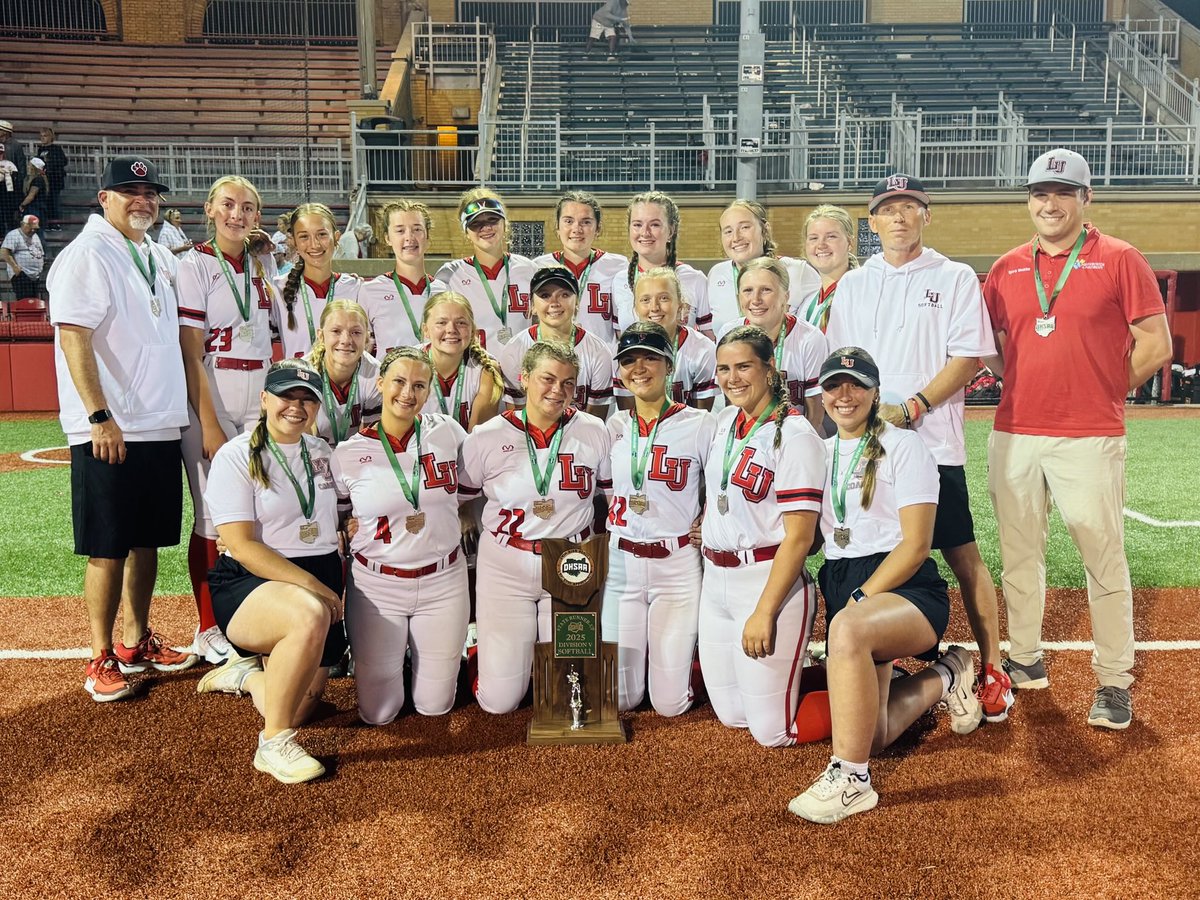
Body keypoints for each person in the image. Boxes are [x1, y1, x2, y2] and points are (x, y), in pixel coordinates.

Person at [982, 148, 1173, 730]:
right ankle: (1026, 659)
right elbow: (989, 345)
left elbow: (1157, 344)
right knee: (1018, 556)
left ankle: (1114, 681)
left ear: (1085, 200)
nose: (1050, 203)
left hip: (1089, 436)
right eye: (1040, 193)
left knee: (1102, 559)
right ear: (1029, 201)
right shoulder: (1006, 267)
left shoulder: (1120, 259)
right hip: (1014, 432)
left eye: (1063, 193)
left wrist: (1106, 390)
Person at [826, 173, 1010, 728]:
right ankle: (894, 659)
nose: (899, 217)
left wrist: (913, 407)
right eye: (888, 209)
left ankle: (993, 667)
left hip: (931, 444)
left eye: (910, 207)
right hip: (866, 445)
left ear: (925, 216)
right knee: (871, 545)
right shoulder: (856, 284)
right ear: (873, 220)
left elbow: (968, 357)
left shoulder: (952, 276)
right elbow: (843, 361)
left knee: (961, 553)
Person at [788, 347, 979, 824]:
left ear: (875, 392)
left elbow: (916, 544)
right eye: (834, 385)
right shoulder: (819, 452)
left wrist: (862, 598)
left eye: (855, 385)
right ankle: (950, 671)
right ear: (822, 394)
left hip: (904, 586)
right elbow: (810, 540)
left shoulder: (904, 444)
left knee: (849, 632)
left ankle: (852, 780)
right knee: (871, 735)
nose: (844, 395)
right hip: (845, 582)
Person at [46, 154, 197, 701]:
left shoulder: (153, 252)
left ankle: (135, 641)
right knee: (108, 546)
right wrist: (98, 416)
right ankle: (99, 655)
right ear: (103, 198)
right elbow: (73, 337)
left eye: (151, 194)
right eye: (130, 193)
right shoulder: (87, 254)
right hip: (111, 426)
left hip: (157, 423)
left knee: (147, 540)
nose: (143, 201)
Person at [196, 359, 346, 783]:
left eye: (307, 399)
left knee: (302, 704)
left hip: (316, 575)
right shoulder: (236, 455)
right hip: (253, 580)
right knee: (308, 613)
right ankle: (274, 742)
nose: (296, 407)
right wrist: (316, 587)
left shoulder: (321, 452)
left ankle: (246, 675)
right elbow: (240, 545)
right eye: (286, 396)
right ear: (264, 400)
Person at [459, 340, 612, 714]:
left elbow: (614, 497)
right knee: (500, 702)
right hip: (507, 559)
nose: (557, 391)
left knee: (573, 703)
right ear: (524, 378)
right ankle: (484, 652)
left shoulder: (594, 430)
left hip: (571, 559)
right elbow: (456, 497)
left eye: (568, 383)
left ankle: (535, 657)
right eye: (548, 379)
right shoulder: (487, 435)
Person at [697, 325, 825, 747]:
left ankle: (884, 685)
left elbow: (800, 538)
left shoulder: (796, 434)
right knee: (733, 715)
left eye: (744, 367)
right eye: (723, 369)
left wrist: (764, 611)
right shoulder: (726, 420)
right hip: (715, 581)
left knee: (772, 732)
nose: (732, 378)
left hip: (767, 579)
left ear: (770, 370)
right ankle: (831, 673)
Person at [332, 347, 470, 723]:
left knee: (435, 705)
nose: (408, 393)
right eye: (399, 381)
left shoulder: (448, 432)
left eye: (419, 385)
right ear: (380, 384)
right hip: (378, 586)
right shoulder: (347, 453)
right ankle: (397, 657)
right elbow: (339, 513)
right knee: (378, 713)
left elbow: (473, 488)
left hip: (443, 579)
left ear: (428, 392)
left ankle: (426, 657)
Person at [177, 175, 279, 666]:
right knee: (212, 518)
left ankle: (249, 614)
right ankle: (208, 626)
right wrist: (210, 422)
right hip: (214, 392)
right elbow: (190, 350)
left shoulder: (262, 264)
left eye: (248, 207)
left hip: (258, 395)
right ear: (210, 210)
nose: (238, 214)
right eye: (229, 205)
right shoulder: (194, 264)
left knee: (255, 515)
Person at [603, 322, 714, 715]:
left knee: (669, 704)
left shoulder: (700, 424)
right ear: (619, 371)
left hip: (676, 564)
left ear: (670, 364)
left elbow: (721, 486)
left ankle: (706, 670)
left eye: (650, 357)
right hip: (622, 565)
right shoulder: (612, 425)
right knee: (620, 699)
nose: (640, 367)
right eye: (630, 360)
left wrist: (709, 518)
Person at [719, 257, 827, 431]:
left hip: (796, 436)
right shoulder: (729, 334)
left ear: (786, 296)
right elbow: (731, 401)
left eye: (766, 290)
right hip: (746, 438)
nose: (755, 299)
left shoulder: (810, 338)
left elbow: (815, 411)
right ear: (738, 297)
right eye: (748, 290)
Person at [497, 266, 614, 418]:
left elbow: (596, 420)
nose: (554, 303)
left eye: (564, 295)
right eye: (545, 295)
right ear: (532, 305)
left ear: (577, 302)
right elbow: (517, 417)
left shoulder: (598, 351)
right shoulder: (514, 349)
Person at [435, 188, 536, 351]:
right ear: (466, 231)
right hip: (474, 369)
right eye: (476, 223)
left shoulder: (529, 269)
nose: (486, 227)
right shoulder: (450, 275)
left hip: (523, 370)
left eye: (493, 219)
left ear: (505, 223)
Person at [707, 199, 821, 336]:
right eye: (728, 231)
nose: (736, 237)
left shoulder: (798, 272)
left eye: (744, 227)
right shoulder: (716, 274)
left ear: (765, 229)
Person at [532, 191, 628, 351]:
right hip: (554, 359)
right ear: (557, 227)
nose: (577, 229)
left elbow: (622, 327)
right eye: (568, 221)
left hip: (602, 361)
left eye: (586, 222)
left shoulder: (618, 266)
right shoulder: (538, 267)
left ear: (598, 228)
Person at [613, 191, 713, 341]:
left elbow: (709, 338)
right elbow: (620, 336)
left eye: (654, 224)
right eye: (637, 224)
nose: (645, 233)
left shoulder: (694, 279)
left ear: (671, 231)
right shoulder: (619, 280)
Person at [616, 265, 716, 411]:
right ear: (635, 307)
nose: (654, 307)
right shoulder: (622, 351)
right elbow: (628, 416)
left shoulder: (702, 350)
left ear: (680, 304)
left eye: (664, 298)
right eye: (645, 300)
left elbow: (702, 417)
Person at [358, 199, 448, 357]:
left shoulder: (444, 290)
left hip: (433, 379)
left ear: (427, 237)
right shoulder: (370, 291)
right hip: (389, 379)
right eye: (400, 231)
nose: (409, 237)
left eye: (417, 229)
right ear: (387, 238)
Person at [275, 202, 363, 360]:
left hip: (344, 383)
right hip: (298, 382)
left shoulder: (355, 288)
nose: (314, 244)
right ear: (294, 241)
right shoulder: (277, 289)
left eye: (322, 234)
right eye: (304, 237)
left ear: (336, 237)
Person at [419, 291, 502, 431]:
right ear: (426, 330)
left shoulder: (486, 370)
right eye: (441, 323)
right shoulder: (407, 365)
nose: (451, 329)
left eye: (461, 323)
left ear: (472, 330)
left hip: (467, 451)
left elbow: (477, 439)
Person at [305, 300, 381, 447]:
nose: (346, 340)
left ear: (367, 337)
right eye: (336, 331)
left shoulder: (376, 374)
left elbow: (373, 440)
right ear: (321, 336)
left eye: (356, 332)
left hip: (356, 455)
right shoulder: (303, 373)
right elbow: (301, 440)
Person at [798, 204, 858, 331]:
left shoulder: (860, 295)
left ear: (850, 242)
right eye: (813, 238)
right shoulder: (807, 304)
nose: (821, 245)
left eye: (831, 237)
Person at [2, 214, 45, 300]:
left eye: (35, 228)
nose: (33, 230)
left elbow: (40, 252)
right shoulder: (14, 235)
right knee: (25, 301)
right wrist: (16, 268)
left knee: (34, 302)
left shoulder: (35, 236)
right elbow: (4, 251)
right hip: (22, 275)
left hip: (35, 276)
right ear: (23, 224)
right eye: (31, 227)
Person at [35, 127, 68, 231]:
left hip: (54, 181)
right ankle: (47, 223)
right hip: (44, 181)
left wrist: (50, 166)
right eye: (41, 136)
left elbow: (63, 161)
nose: (42, 138)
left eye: (45, 136)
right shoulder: (40, 149)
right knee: (46, 203)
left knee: (54, 202)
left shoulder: (56, 149)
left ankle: (56, 223)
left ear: (50, 137)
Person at [0, 120, 26, 230]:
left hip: (11, 186)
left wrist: (18, 183)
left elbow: (21, 166)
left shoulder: (15, 146)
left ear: (5, 132)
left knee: (10, 212)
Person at [18, 158, 50, 226]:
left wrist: (22, 204)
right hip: (37, 209)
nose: (28, 167)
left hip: (35, 210)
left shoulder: (37, 180)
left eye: (30, 165)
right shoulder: (38, 179)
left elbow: (31, 196)